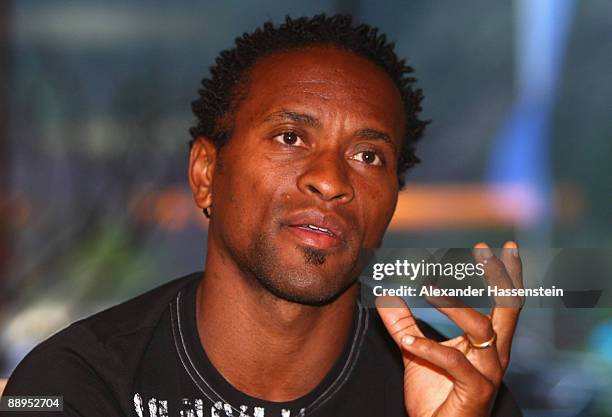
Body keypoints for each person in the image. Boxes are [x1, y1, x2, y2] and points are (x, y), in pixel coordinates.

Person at [2, 15, 524, 417]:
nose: (332, 180)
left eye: (368, 157)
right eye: (291, 138)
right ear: (207, 172)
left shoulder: (457, 387)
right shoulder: (79, 382)